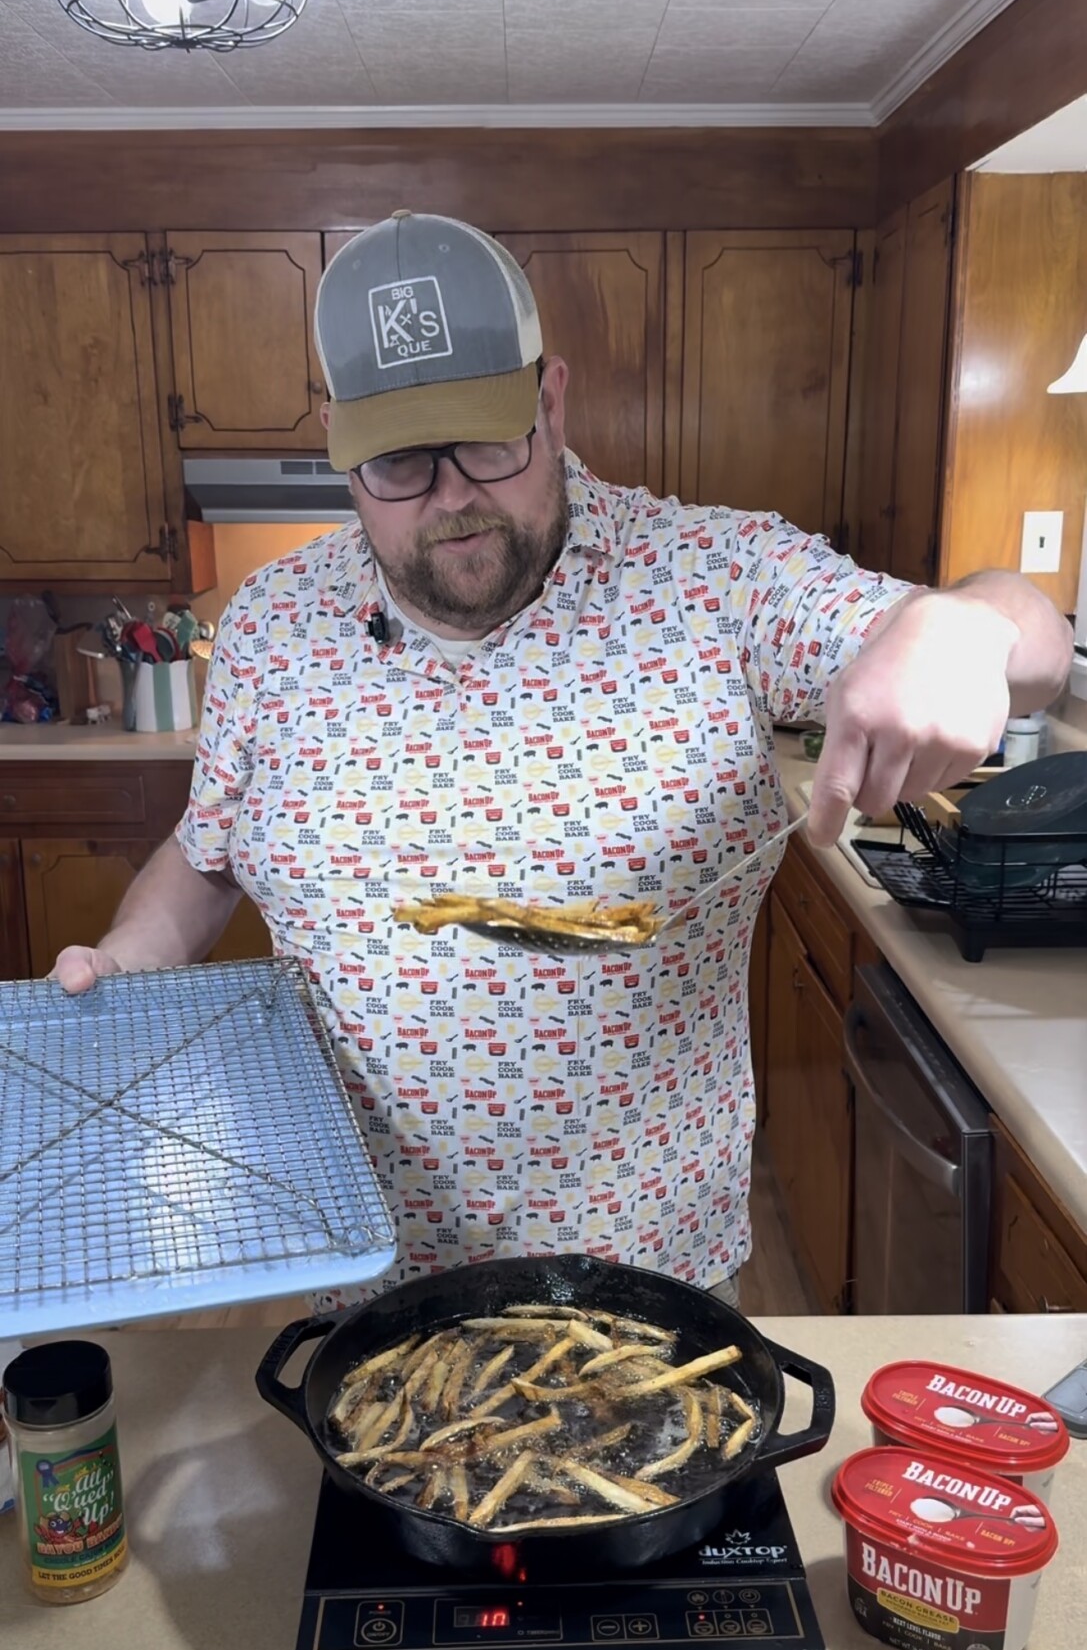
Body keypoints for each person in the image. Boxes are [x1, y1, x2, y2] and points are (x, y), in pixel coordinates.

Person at [53, 211, 1072, 1309]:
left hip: (641, 1288)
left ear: (551, 401)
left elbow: (1033, 638)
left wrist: (962, 629)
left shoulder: (713, 581)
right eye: (399, 460)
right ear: (338, 441)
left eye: (487, 441)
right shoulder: (268, 627)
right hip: (356, 1278)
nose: (450, 499)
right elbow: (208, 859)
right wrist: (129, 968)